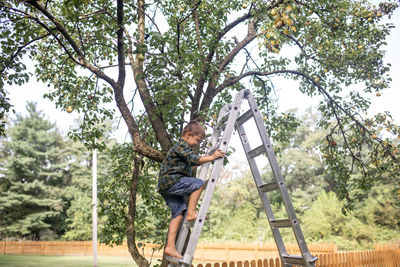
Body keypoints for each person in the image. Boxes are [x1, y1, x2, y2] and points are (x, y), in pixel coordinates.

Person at [158, 121, 225, 259]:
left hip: (166, 186)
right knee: (198, 184)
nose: (198, 143)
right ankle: (191, 213)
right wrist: (212, 157)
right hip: (171, 182)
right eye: (197, 140)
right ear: (188, 135)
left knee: (178, 212)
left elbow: (187, 164)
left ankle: (170, 247)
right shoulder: (182, 146)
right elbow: (192, 159)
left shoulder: (182, 148)